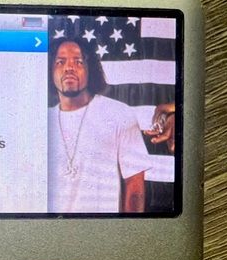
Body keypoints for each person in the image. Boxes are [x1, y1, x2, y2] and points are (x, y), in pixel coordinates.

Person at [47, 38, 154, 214]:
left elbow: (134, 187)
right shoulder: (42, 121)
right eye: (60, 62)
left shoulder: (119, 113)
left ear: (90, 69)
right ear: (50, 72)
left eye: (78, 61)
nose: (69, 68)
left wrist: (130, 229)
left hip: (101, 229)